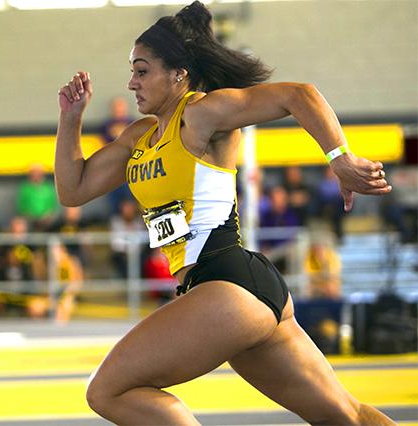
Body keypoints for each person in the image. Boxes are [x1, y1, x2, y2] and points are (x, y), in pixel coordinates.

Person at [53, 2, 393, 424]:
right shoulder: (139, 137)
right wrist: (71, 119)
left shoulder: (199, 115)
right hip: (235, 290)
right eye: (131, 71)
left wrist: (340, 158)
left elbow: (297, 94)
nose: (131, 83)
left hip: (226, 280)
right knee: (347, 417)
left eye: (142, 71)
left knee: (108, 390)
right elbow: (73, 190)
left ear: (178, 73)